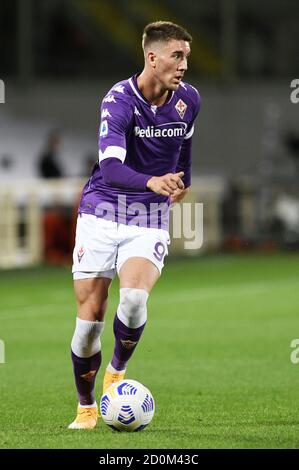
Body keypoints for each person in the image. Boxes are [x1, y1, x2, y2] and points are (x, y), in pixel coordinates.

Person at [68, 21, 201, 429]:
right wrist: (151, 180)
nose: (183, 65)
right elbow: (109, 169)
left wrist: (181, 183)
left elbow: (184, 153)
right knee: (90, 321)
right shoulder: (118, 101)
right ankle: (86, 406)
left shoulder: (189, 100)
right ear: (152, 57)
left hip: (148, 216)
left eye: (186, 58)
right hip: (101, 212)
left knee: (134, 301)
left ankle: (117, 371)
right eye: (176, 56)